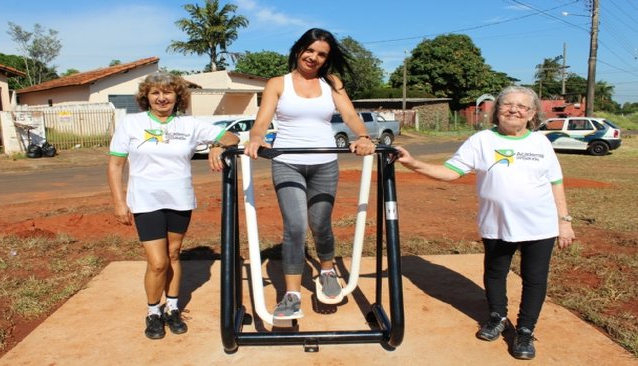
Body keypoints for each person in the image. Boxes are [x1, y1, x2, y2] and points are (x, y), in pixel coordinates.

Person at [395, 85, 575, 360]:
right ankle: (496, 317)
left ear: (531, 114)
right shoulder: (481, 141)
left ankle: (525, 331)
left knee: (535, 278)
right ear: (496, 109)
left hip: (540, 225)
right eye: (508, 104)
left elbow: (556, 183)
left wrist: (564, 221)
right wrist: (412, 163)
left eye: (522, 106)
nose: (514, 109)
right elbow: (450, 171)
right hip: (497, 224)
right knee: (495, 273)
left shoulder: (541, 143)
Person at [244, 28, 376, 320]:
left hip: (325, 163)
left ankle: (326, 272)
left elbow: (351, 116)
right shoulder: (278, 84)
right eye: (310, 50)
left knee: (320, 224)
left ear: (327, 59)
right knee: (295, 226)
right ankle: (291, 295)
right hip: (287, 162)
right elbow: (262, 119)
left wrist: (364, 137)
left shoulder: (332, 83)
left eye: (322, 54)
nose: (314, 57)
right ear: (299, 48)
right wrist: (256, 138)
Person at [107, 72, 239, 340]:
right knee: (157, 262)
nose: (162, 97)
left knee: (175, 254)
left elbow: (233, 139)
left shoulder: (190, 125)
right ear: (146, 97)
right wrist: (119, 202)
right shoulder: (131, 124)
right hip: (145, 201)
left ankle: (173, 308)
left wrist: (215, 145)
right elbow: (115, 164)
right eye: (155, 92)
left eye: (168, 92)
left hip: (179, 199)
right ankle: (153, 312)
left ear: (178, 96)